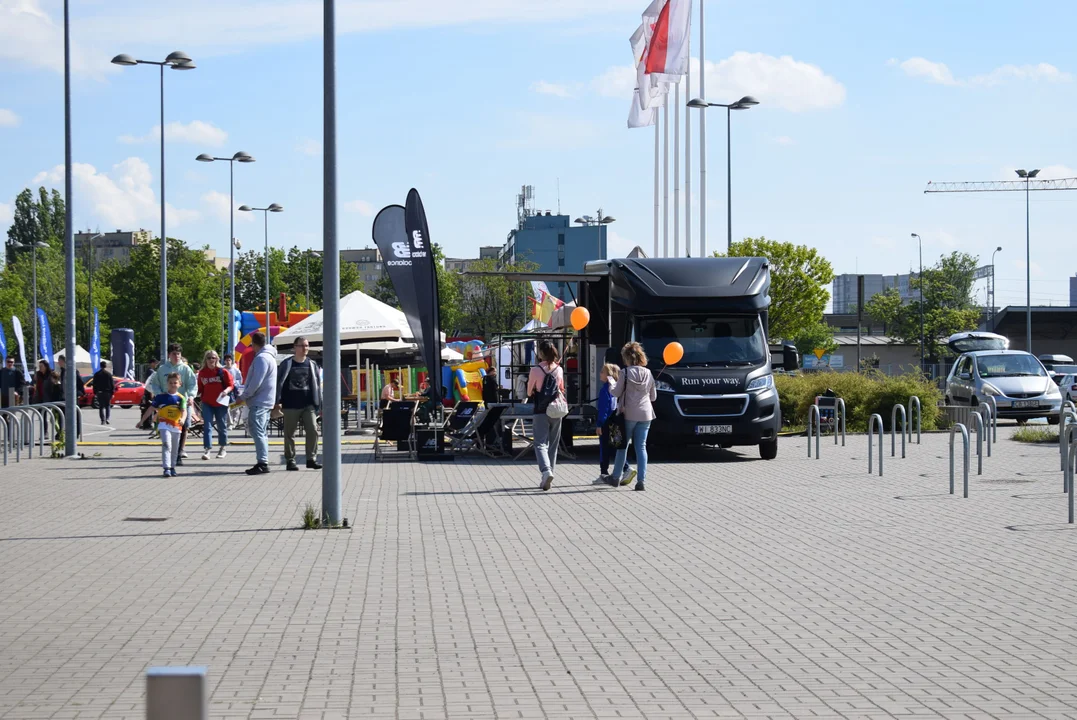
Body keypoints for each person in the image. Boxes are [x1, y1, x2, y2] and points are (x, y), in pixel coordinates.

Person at [607, 341, 656, 492]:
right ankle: (641, 480)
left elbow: (615, 392)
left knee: (623, 446)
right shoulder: (648, 373)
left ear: (627, 358)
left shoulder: (625, 372)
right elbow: (653, 397)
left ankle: (615, 477)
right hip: (646, 413)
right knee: (641, 447)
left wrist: (611, 382)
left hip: (628, 414)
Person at [275, 336, 322, 471]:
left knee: (313, 430)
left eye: (307, 345)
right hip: (290, 404)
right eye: (302, 345)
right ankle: (290, 460)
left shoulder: (312, 364)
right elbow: (279, 383)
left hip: (309, 404)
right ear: (295, 347)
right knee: (289, 433)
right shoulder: (287, 363)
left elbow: (317, 385)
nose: (305, 348)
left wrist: (319, 403)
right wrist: (278, 401)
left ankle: (311, 459)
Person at [235, 332, 278, 475]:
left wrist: (244, 396)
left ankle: (262, 462)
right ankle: (262, 461)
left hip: (259, 400)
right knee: (261, 431)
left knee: (257, 431)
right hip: (265, 400)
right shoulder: (269, 357)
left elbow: (256, 382)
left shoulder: (261, 358)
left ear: (253, 344)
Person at [148, 344, 197, 464]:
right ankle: (168, 450)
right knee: (167, 427)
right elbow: (155, 384)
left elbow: (192, 384)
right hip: (167, 403)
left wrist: (191, 396)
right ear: (169, 355)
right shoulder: (162, 369)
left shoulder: (185, 369)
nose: (177, 356)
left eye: (178, 354)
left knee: (183, 426)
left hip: (182, 401)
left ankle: (179, 452)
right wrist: (160, 395)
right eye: (174, 354)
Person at [527, 339, 566, 491]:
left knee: (540, 443)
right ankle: (549, 474)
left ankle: (546, 471)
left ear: (541, 353)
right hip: (557, 409)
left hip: (541, 410)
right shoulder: (559, 369)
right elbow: (561, 388)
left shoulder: (535, 370)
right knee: (553, 444)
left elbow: (530, 391)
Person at [595, 363, 629, 484]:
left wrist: (599, 424)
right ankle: (626, 468)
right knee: (616, 446)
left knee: (604, 448)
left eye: (602, 372)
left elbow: (604, 408)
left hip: (606, 422)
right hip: (616, 420)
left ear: (608, 375)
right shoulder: (616, 387)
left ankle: (604, 473)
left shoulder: (605, 389)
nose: (600, 374)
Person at [197, 349, 234, 461]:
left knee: (222, 425)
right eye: (209, 358)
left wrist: (226, 391)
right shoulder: (202, 373)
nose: (211, 360)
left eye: (213, 358)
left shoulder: (222, 372)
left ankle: (223, 447)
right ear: (205, 360)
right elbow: (200, 388)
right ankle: (207, 449)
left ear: (217, 359)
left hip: (220, 402)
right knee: (207, 426)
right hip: (207, 402)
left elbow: (230, 385)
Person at [151, 372, 188, 477]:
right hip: (164, 424)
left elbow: (184, 410)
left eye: (175, 383)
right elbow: (151, 408)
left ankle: (172, 467)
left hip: (176, 425)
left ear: (179, 384)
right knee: (167, 444)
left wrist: (183, 419)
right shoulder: (160, 397)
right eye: (170, 383)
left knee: (175, 448)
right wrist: (141, 421)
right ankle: (166, 468)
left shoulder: (181, 398)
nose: (173, 384)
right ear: (167, 384)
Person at [223, 353, 244, 429]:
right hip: (225, 390)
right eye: (226, 360)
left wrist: (235, 383)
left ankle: (234, 421)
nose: (228, 361)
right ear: (224, 361)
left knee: (235, 406)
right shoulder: (222, 369)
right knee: (226, 407)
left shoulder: (236, 370)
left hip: (234, 390)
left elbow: (240, 380)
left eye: (229, 360)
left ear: (232, 361)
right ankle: (229, 423)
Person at [92, 360, 115, 425]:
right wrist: (112, 392)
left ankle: (102, 419)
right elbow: (112, 384)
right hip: (107, 392)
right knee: (107, 406)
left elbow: (94, 384)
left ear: (100, 366)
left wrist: (95, 392)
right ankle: (107, 418)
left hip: (100, 392)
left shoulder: (97, 374)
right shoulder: (108, 374)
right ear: (105, 366)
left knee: (101, 407)